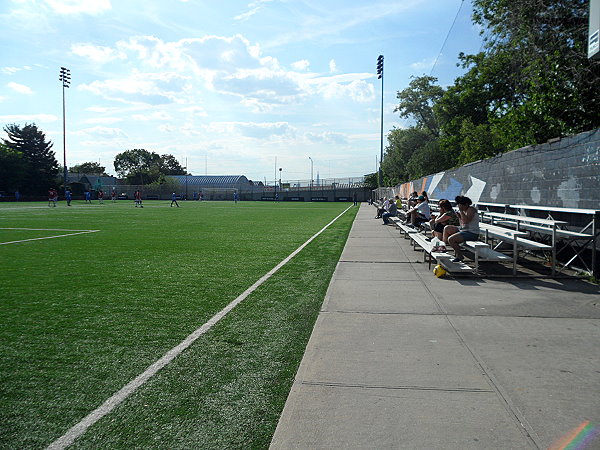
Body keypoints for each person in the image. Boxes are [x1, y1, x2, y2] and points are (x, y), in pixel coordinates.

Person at [443, 196, 480, 262]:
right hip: (464, 230)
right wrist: (459, 217)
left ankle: (459, 255)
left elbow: (466, 221)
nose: (459, 206)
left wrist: (461, 211)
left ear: (466, 204)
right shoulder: (464, 210)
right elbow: (462, 224)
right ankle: (444, 247)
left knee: (451, 239)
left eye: (460, 205)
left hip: (472, 233)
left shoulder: (471, 209)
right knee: (447, 228)